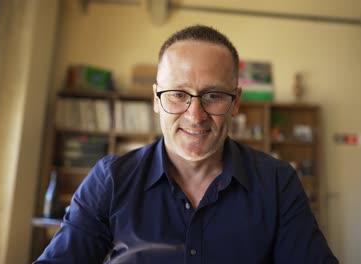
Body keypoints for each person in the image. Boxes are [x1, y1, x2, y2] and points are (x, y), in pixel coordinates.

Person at [35, 25, 338, 264]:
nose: (195, 116)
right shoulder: (111, 180)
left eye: (214, 95)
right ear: (156, 99)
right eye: (178, 94)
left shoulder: (277, 183)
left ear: (236, 103)